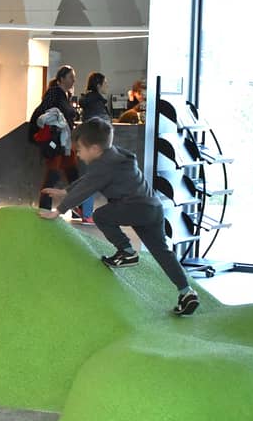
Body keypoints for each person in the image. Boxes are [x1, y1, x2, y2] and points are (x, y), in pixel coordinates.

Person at [39, 117, 200, 316]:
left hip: (136, 208)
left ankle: (126, 251)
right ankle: (186, 292)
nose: (78, 155)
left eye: (79, 150)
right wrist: (66, 192)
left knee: (100, 216)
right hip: (152, 208)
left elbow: (87, 187)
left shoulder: (104, 165)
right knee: (162, 252)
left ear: (94, 149)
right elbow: (88, 180)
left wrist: (59, 211)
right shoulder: (115, 156)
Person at [37, 65, 84, 218]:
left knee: (71, 174)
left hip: (64, 142)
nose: (73, 80)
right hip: (57, 141)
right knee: (55, 174)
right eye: (71, 77)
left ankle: (78, 209)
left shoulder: (64, 94)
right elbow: (46, 113)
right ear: (62, 78)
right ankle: (46, 207)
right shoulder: (55, 93)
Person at [76, 71, 111, 223]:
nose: (107, 85)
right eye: (105, 83)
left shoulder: (90, 101)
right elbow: (100, 126)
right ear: (98, 85)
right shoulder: (97, 103)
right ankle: (87, 214)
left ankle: (83, 210)